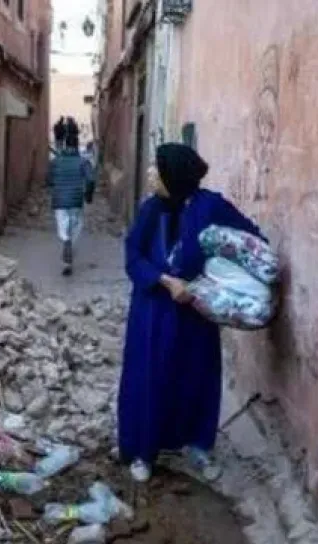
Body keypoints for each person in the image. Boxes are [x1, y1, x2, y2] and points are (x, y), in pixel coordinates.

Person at [117, 143, 265, 483]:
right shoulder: (151, 210)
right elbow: (133, 256)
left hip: (196, 312)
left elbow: (250, 243)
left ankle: (197, 446)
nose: (150, 173)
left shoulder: (210, 206)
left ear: (173, 175)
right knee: (148, 377)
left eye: (157, 168)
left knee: (195, 375)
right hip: (153, 312)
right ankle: (143, 451)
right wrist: (164, 280)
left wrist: (214, 283)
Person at [47, 133, 95, 275]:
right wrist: (88, 196)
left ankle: (66, 241)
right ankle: (70, 244)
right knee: (76, 223)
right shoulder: (83, 162)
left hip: (59, 199)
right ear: (77, 145)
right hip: (76, 199)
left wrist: (55, 187)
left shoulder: (55, 161)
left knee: (63, 224)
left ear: (64, 145)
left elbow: (49, 180)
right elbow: (91, 180)